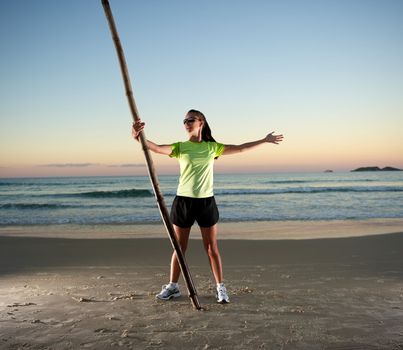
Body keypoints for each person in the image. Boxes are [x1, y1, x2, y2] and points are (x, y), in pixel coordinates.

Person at [132, 109, 284, 303]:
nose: (186, 123)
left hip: (205, 202)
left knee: (211, 248)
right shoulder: (180, 147)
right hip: (183, 202)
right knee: (179, 247)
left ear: (201, 122)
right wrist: (137, 137)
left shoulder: (212, 147)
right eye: (184, 120)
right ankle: (173, 286)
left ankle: (220, 288)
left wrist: (264, 140)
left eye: (190, 119)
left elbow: (240, 148)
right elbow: (155, 147)